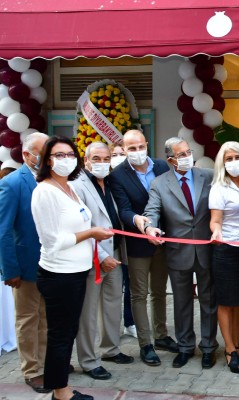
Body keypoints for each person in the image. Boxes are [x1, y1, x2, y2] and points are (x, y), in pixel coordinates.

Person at [31, 135, 114, 400]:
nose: (66, 159)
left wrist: (94, 235)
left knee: (67, 332)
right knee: (61, 335)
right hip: (59, 275)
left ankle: (61, 387)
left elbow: (79, 223)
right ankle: (61, 392)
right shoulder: (45, 192)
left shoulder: (69, 188)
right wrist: (91, 233)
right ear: (47, 160)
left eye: (70, 155)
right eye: (59, 155)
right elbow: (52, 242)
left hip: (77, 273)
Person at [141, 137, 218, 369]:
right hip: (177, 252)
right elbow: (152, 211)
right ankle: (185, 347)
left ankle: (208, 347)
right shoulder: (159, 184)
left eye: (188, 152)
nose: (187, 157)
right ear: (170, 160)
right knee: (182, 302)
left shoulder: (208, 176)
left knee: (208, 301)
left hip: (206, 248)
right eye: (181, 154)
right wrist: (149, 227)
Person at [108, 130, 177, 366]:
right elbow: (124, 209)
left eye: (140, 146)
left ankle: (161, 335)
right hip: (137, 242)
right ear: (124, 149)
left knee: (159, 291)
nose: (137, 152)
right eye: (131, 148)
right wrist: (139, 222)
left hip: (163, 239)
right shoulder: (117, 175)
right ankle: (145, 344)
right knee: (139, 294)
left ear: (147, 144)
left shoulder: (161, 166)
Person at [70, 142, 134, 381]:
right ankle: (88, 360)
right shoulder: (77, 185)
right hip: (93, 257)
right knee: (88, 312)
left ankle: (111, 349)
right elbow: (81, 227)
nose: (102, 163)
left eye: (106, 159)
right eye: (96, 158)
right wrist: (102, 257)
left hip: (115, 253)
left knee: (112, 305)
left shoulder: (110, 182)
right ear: (86, 161)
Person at [0, 132, 50, 393]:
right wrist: (10, 269)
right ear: (27, 155)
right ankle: (32, 370)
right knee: (28, 319)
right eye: (43, 152)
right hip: (25, 264)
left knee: (46, 318)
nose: (49, 157)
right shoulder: (12, 183)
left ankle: (45, 363)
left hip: (52, 263)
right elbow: (3, 231)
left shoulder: (52, 179)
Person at [208, 141, 239, 373]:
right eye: (229, 159)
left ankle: (237, 345)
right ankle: (229, 350)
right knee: (227, 301)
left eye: (238, 157)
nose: (234, 162)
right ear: (222, 162)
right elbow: (215, 220)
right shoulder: (219, 187)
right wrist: (216, 232)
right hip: (227, 249)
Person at [109, 141, 135, 338]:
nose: (118, 158)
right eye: (114, 155)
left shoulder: (127, 180)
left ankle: (130, 321)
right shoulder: (104, 181)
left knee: (130, 284)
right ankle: (110, 328)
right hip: (109, 243)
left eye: (121, 154)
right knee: (113, 288)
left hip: (128, 241)